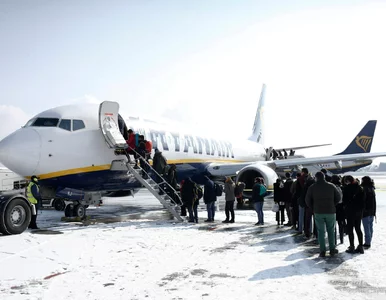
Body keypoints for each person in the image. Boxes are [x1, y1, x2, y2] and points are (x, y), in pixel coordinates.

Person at [305, 172, 341, 257]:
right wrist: (332, 204)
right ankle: (332, 249)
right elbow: (338, 198)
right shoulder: (331, 186)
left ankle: (322, 250)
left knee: (321, 232)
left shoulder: (312, 187)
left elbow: (307, 200)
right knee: (331, 230)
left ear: (316, 178)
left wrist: (313, 208)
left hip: (318, 212)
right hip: (330, 211)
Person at [343, 175, 365, 254]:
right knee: (358, 229)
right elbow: (363, 201)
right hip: (359, 212)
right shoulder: (360, 188)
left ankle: (352, 246)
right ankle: (361, 246)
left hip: (350, 212)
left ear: (347, 181)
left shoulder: (346, 189)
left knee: (350, 229)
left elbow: (344, 201)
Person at [361, 176, 376, 249]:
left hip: (366, 211)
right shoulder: (372, 188)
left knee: (366, 227)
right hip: (372, 211)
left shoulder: (364, 189)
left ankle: (367, 243)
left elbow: (363, 201)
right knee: (370, 227)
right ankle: (369, 241)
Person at [331, 175, 345, 244]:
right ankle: (342, 239)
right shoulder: (342, 187)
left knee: (333, 225)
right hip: (341, 207)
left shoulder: (331, 187)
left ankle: (334, 240)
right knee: (341, 224)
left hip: (334, 207)